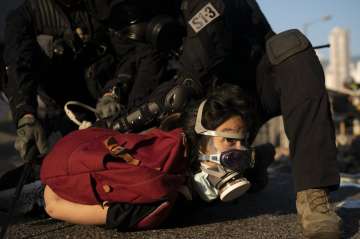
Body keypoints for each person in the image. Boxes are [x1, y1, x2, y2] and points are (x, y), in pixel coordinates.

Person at [175, 0, 341, 238]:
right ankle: (249, 164)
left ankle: (313, 195)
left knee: (291, 46)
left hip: (247, 90)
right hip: (192, 99)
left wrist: (186, 81)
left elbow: (216, 33)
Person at [41, 84, 274, 230]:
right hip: (69, 166)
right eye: (230, 140)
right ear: (200, 135)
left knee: (243, 171)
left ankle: (257, 166)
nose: (239, 149)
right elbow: (53, 207)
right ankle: (258, 169)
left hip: (87, 142)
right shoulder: (155, 191)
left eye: (242, 142)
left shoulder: (179, 145)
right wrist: (50, 193)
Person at [2, 0, 113, 159]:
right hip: (62, 112)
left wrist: (114, 91)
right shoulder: (25, 17)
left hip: (109, 101)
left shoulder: (99, 8)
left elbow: (131, 50)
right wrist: (26, 116)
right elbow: (19, 65)